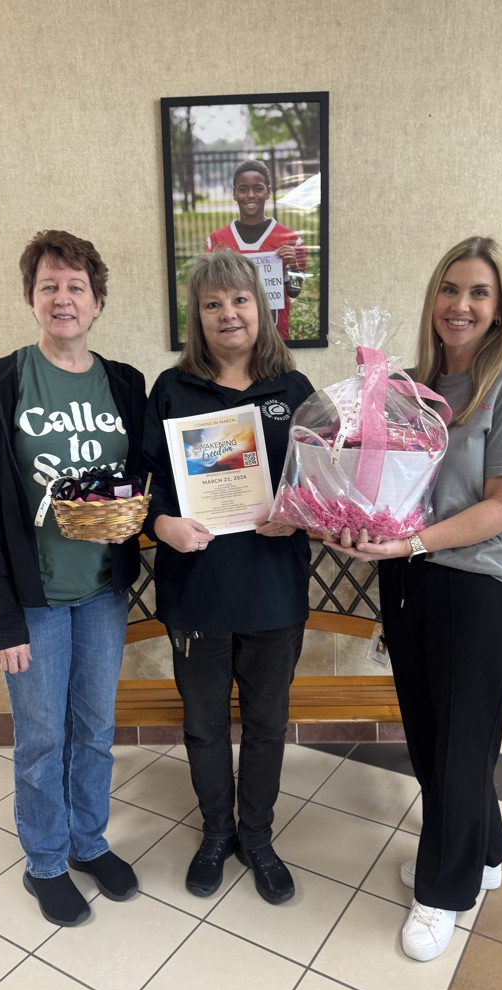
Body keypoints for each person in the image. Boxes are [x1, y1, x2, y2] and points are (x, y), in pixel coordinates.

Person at [327, 236, 502, 961]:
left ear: (498, 309)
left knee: (459, 750)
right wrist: (343, 513)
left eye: (479, 293)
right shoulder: (405, 389)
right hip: (408, 585)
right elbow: (377, 485)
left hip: (474, 590)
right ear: (433, 300)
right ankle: (482, 854)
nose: (461, 304)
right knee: (433, 740)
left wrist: (408, 543)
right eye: (450, 289)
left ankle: (443, 892)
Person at [0, 230, 146, 927]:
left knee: (94, 729)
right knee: (42, 735)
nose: (63, 297)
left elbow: (146, 473)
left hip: (101, 588)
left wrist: (141, 519)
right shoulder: (2, 385)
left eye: (76, 286)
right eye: (49, 286)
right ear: (32, 299)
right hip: (34, 595)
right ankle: (44, 860)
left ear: (96, 301)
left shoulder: (124, 382)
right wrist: (1, 617)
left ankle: (88, 842)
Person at [143, 249, 313, 904]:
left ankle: (259, 838)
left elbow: (320, 492)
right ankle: (216, 833)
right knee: (206, 726)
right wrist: (165, 528)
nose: (228, 313)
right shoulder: (172, 389)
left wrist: (294, 515)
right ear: (198, 316)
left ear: (261, 308)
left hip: (273, 592)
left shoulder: (294, 393)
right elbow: (145, 489)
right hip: (198, 593)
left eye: (239, 300)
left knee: (268, 725)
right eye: (213, 303)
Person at [205, 159, 306, 340]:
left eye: (258, 188)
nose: (250, 195)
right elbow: (208, 296)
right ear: (234, 193)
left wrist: (293, 265)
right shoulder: (216, 242)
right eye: (243, 189)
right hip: (231, 337)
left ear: (268, 192)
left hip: (274, 338)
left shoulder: (291, 240)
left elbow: (295, 292)